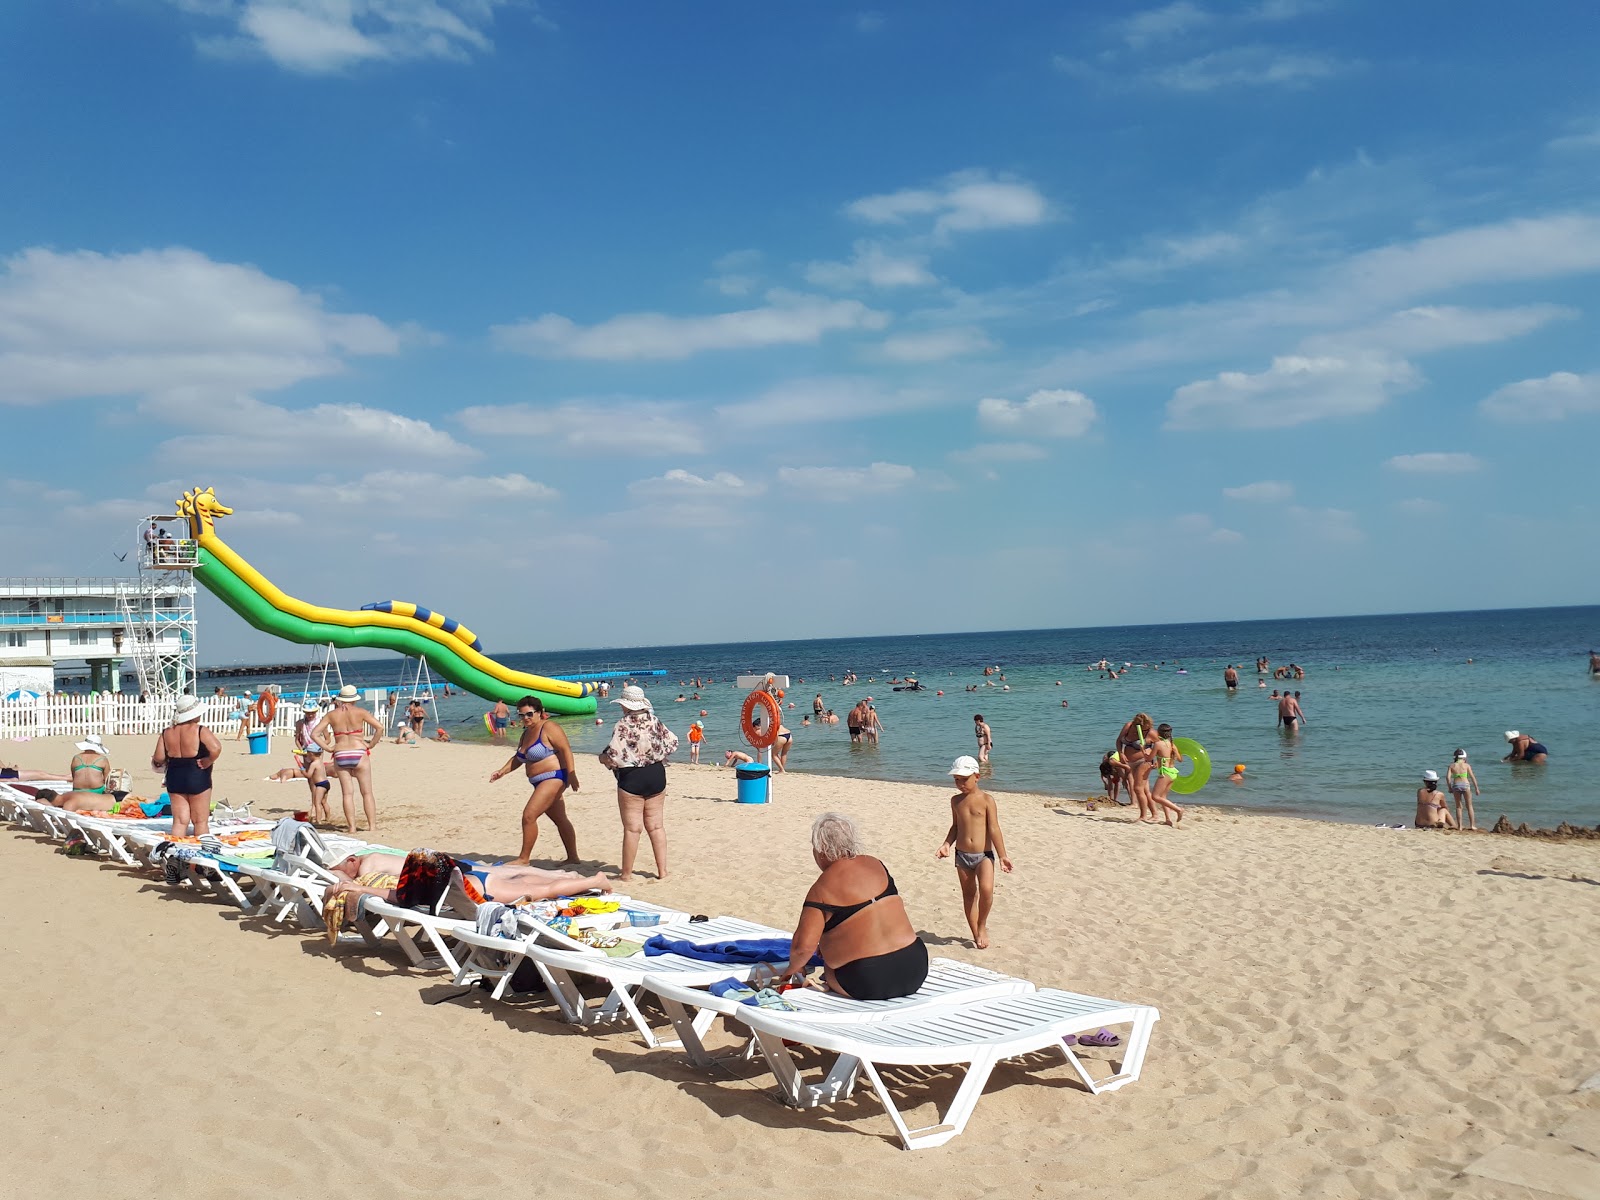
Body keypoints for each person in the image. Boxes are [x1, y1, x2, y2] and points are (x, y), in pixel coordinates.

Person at [776, 812, 928, 1000]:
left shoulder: (822, 887)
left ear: (821, 850)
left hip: (866, 981)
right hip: (915, 969)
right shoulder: (876, 864)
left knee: (830, 963)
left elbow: (803, 948)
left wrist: (790, 971)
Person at [325, 849, 610, 907]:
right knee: (535, 886)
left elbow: (391, 895)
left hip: (478, 893)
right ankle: (590, 881)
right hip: (474, 884)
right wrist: (353, 885)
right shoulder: (436, 879)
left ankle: (593, 881)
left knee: (543, 890)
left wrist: (355, 887)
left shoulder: (414, 893)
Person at [598, 685, 678, 883]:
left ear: (625, 705)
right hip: (656, 774)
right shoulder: (655, 720)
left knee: (633, 829)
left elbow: (613, 755)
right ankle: (662, 871)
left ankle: (626, 875)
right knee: (656, 826)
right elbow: (672, 742)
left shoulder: (623, 724)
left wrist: (602, 759)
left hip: (632, 777)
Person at [490, 695, 579, 865]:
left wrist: (572, 774)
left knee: (529, 816)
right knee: (560, 819)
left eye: (529, 714)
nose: (526, 718)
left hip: (554, 777)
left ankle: (524, 859)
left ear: (540, 712)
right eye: (522, 715)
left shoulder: (549, 727)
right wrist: (502, 771)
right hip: (538, 782)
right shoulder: (526, 734)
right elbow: (518, 758)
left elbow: (566, 749)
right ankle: (573, 858)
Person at [936, 757, 1013, 949]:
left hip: (984, 855)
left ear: (977, 776)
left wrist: (1003, 855)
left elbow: (994, 828)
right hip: (962, 855)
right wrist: (946, 844)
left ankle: (982, 924)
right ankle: (975, 932)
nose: (960, 784)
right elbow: (955, 826)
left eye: (964, 779)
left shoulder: (987, 800)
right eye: (956, 780)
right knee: (969, 895)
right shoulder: (955, 801)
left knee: (986, 890)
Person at [313, 684, 382, 834]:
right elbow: (380, 728)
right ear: (355, 699)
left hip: (340, 753)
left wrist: (328, 748)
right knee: (367, 793)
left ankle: (351, 828)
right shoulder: (360, 712)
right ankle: (372, 826)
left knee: (347, 794)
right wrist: (371, 744)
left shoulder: (332, 715)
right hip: (359, 751)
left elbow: (314, 734)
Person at [152, 694, 221, 838]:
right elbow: (216, 748)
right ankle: (201, 856)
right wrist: (209, 760)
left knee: (179, 821)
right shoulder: (199, 730)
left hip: (175, 775)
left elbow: (159, 757)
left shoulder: (167, 732)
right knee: (200, 821)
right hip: (196, 774)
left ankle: (176, 855)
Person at [292, 701, 332, 823]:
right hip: (306, 753)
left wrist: (319, 747)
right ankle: (315, 806)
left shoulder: (321, 722)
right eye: (308, 713)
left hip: (317, 753)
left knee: (318, 778)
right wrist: (301, 749)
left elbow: (328, 738)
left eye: (312, 713)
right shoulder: (300, 723)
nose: (310, 715)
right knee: (310, 781)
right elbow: (297, 739)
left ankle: (319, 806)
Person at [54, 733, 115, 812]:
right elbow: (107, 780)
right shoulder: (102, 759)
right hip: (97, 792)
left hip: (77, 792)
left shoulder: (76, 758)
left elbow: (74, 776)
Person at [1116, 712, 1155, 822]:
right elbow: (1119, 740)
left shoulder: (1150, 732)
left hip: (1144, 761)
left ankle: (1143, 816)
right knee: (1145, 790)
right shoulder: (1128, 726)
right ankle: (1155, 814)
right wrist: (1121, 753)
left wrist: (1158, 761)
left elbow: (1161, 746)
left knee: (1137, 788)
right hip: (1130, 762)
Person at [1146, 723, 1186, 826]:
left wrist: (1144, 750)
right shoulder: (1172, 744)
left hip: (1165, 773)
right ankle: (1168, 820)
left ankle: (1178, 810)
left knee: (1155, 796)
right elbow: (1181, 760)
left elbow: (1149, 758)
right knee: (1163, 797)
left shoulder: (1158, 744)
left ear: (1158, 733)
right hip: (1173, 772)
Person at [1446, 749, 1481, 831]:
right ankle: (1472, 825)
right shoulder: (1467, 765)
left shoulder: (1451, 766)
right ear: (1464, 757)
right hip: (1466, 785)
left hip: (1456, 785)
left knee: (1458, 807)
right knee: (1469, 806)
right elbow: (1472, 777)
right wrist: (1476, 788)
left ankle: (1460, 826)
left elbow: (1448, 778)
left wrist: (1449, 787)